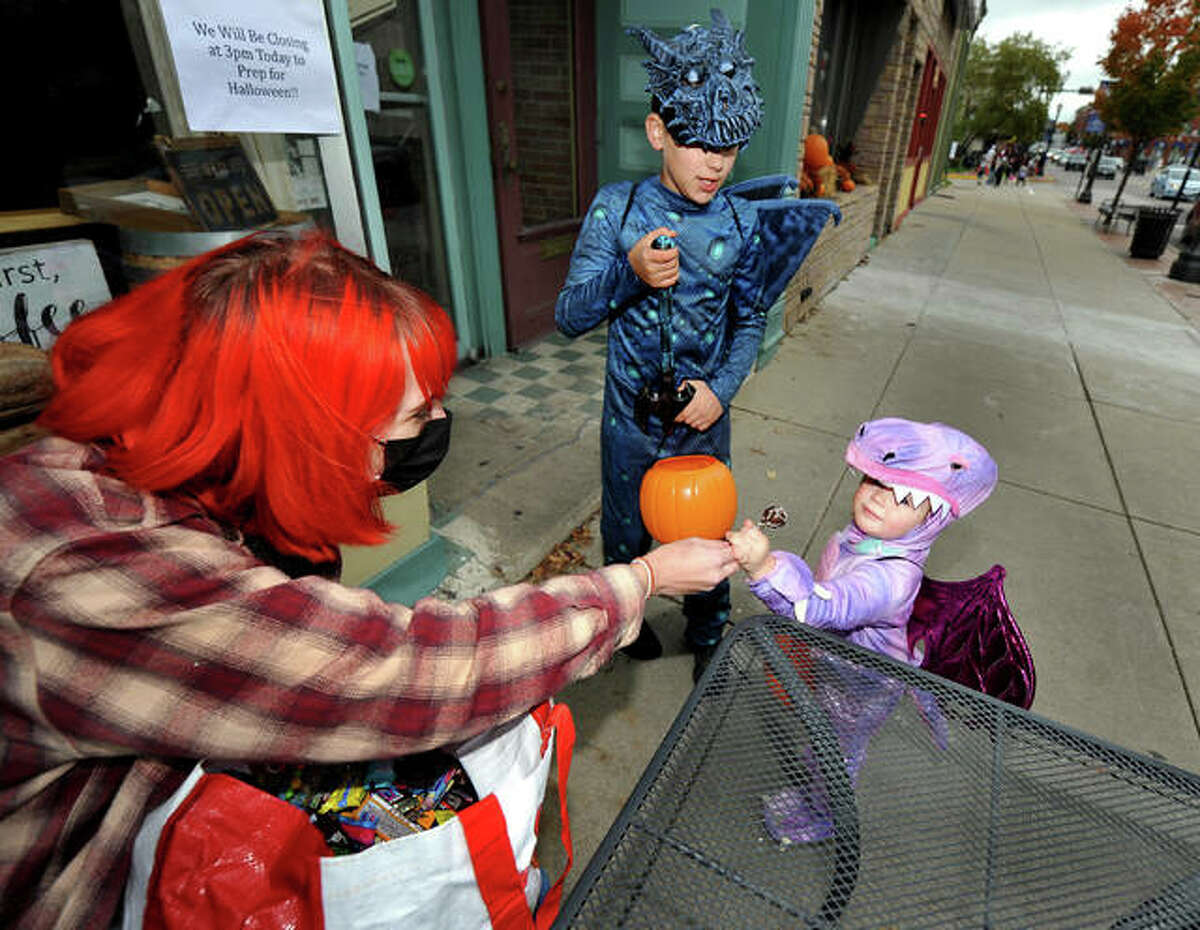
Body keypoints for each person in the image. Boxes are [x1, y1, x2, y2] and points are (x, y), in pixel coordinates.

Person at [0, 231, 739, 929]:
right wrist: (636, 581)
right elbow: (403, 670)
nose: (438, 425)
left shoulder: (169, 475)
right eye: (416, 415)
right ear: (297, 431)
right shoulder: (92, 568)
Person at [555, 9, 838, 682]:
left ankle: (709, 628)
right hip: (628, 418)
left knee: (710, 533)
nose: (714, 162)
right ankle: (627, 624)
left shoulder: (741, 221)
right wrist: (628, 274)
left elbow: (748, 320)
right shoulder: (616, 209)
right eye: (697, 144)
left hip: (704, 416)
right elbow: (569, 315)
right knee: (626, 532)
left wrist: (723, 390)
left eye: (729, 147)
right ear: (658, 132)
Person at [726, 417, 997, 843]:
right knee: (825, 739)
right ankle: (819, 776)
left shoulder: (890, 580)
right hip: (839, 668)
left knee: (836, 753)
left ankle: (825, 816)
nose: (878, 498)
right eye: (875, 479)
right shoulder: (869, 540)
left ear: (930, 521)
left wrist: (764, 568)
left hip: (862, 686)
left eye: (904, 497)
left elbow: (815, 605)